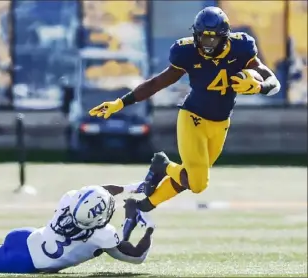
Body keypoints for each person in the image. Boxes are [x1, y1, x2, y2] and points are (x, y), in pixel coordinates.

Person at [88, 6, 281, 231]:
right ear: (196, 35)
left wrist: (259, 86)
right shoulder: (186, 52)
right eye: (203, 37)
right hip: (193, 118)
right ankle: (163, 165)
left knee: (190, 177)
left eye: (212, 38)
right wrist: (120, 103)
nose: (207, 43)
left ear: (224, 37)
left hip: (221, 123)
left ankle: (142, 205)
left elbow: (273, 83)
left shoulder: (241, 48)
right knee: (198, 183)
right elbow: (158, 82)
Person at [0, 183, 154, 274]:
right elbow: (136, 256)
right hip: (25, 262)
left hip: (28, 236)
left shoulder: (69, 199)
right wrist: (149, 229)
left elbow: (100, 191)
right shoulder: (102, 235)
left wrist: (133, 187)